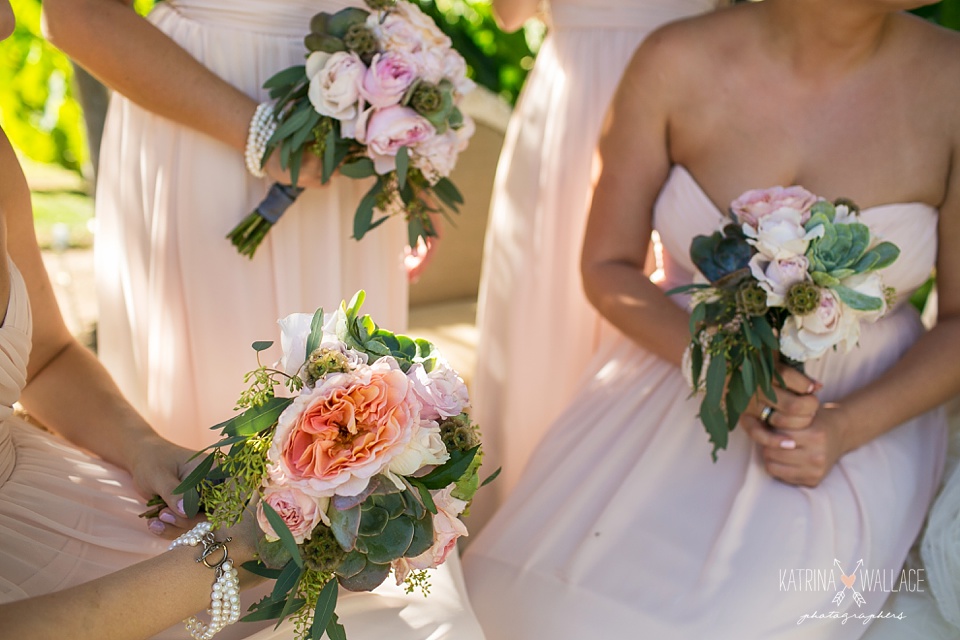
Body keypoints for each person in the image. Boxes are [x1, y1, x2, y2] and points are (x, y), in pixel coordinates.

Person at [463, 0, 960, 637]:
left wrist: (840, 431)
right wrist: (713, 362)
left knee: (746, 619)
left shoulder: (952, 81)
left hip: (861, 412)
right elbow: (607, 266)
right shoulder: (673, 61)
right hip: (676, 380)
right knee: (525, 605)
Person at [40, 0, 410, 452]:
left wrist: (416, 150)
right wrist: (264, 134)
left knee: (362, 411)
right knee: (223, 394)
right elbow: (76, 14)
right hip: (203, 117)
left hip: (360, 132)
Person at [469, 0, 725, 530]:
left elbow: (510, 13)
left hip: (618, 97)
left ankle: (541, 504)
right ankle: (588, 510)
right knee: (575, 293)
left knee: (582, 301)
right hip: (663, 98)